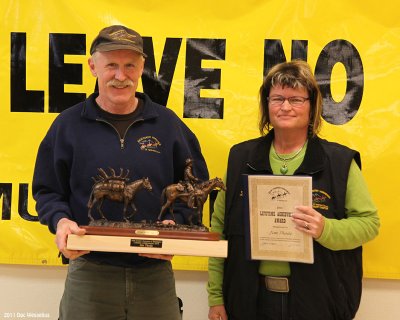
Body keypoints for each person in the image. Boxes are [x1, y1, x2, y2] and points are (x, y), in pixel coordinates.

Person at [32, 25, 209, 320]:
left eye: (130, 66)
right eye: (111, 65)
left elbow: (196, 185)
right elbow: (48, 191)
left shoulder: (168, 125)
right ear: (93, 66)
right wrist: (60, 221)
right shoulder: (68, 125)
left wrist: (177, 225)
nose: (120, 76)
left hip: (154, 276)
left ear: (142, 67)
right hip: (89, 273)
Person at [207, 60, 380, 320]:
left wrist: (326, 229)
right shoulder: (240, 158)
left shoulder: (339, 162)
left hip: (317, 300)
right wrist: (216, 297)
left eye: (296, 99)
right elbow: (218, 228)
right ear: (267, 105)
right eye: (277, 98)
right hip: (248, 300)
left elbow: (369, 223)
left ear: (312, 107)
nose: (285, 106)